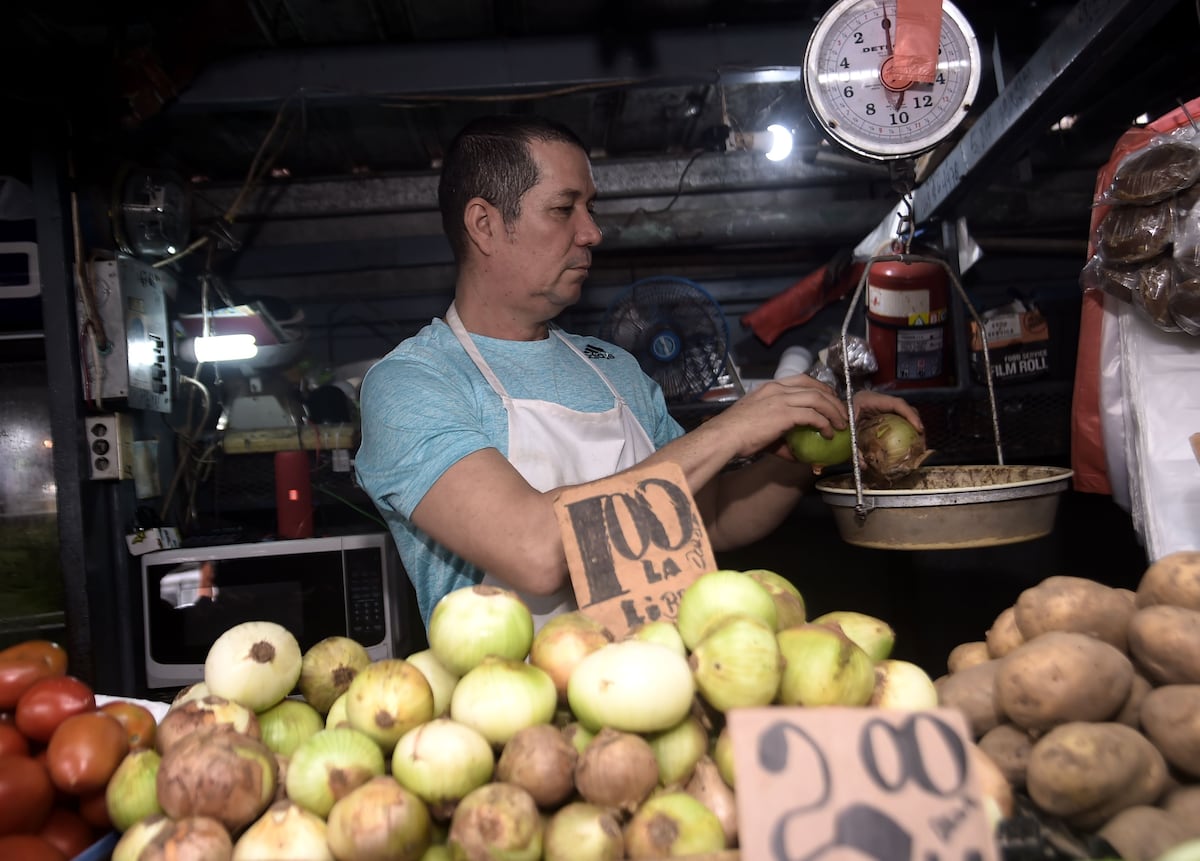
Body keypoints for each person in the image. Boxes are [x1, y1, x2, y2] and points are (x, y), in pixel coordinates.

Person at [355, 114, 923, 630]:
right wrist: (728, 429)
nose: (592, 232)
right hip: (516, 714)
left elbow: (714, 518)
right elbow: (534, 550)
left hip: (665, 683)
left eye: (591, 209)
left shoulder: (614, 369)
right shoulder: (412, 383)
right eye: (563, 209)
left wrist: (801, 443)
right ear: (484, 223)